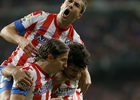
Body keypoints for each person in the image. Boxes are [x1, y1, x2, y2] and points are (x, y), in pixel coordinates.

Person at [0, 0, 91, 99]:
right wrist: (21, 40)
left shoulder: (74, 38)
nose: (71, 5)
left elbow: (81, 60)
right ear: (62, 5)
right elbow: (5, 31)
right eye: (69, 1)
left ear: (78, 15)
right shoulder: (41, 17)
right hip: (13, 69)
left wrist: (85, 73)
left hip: (40, 79)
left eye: (76, 5)